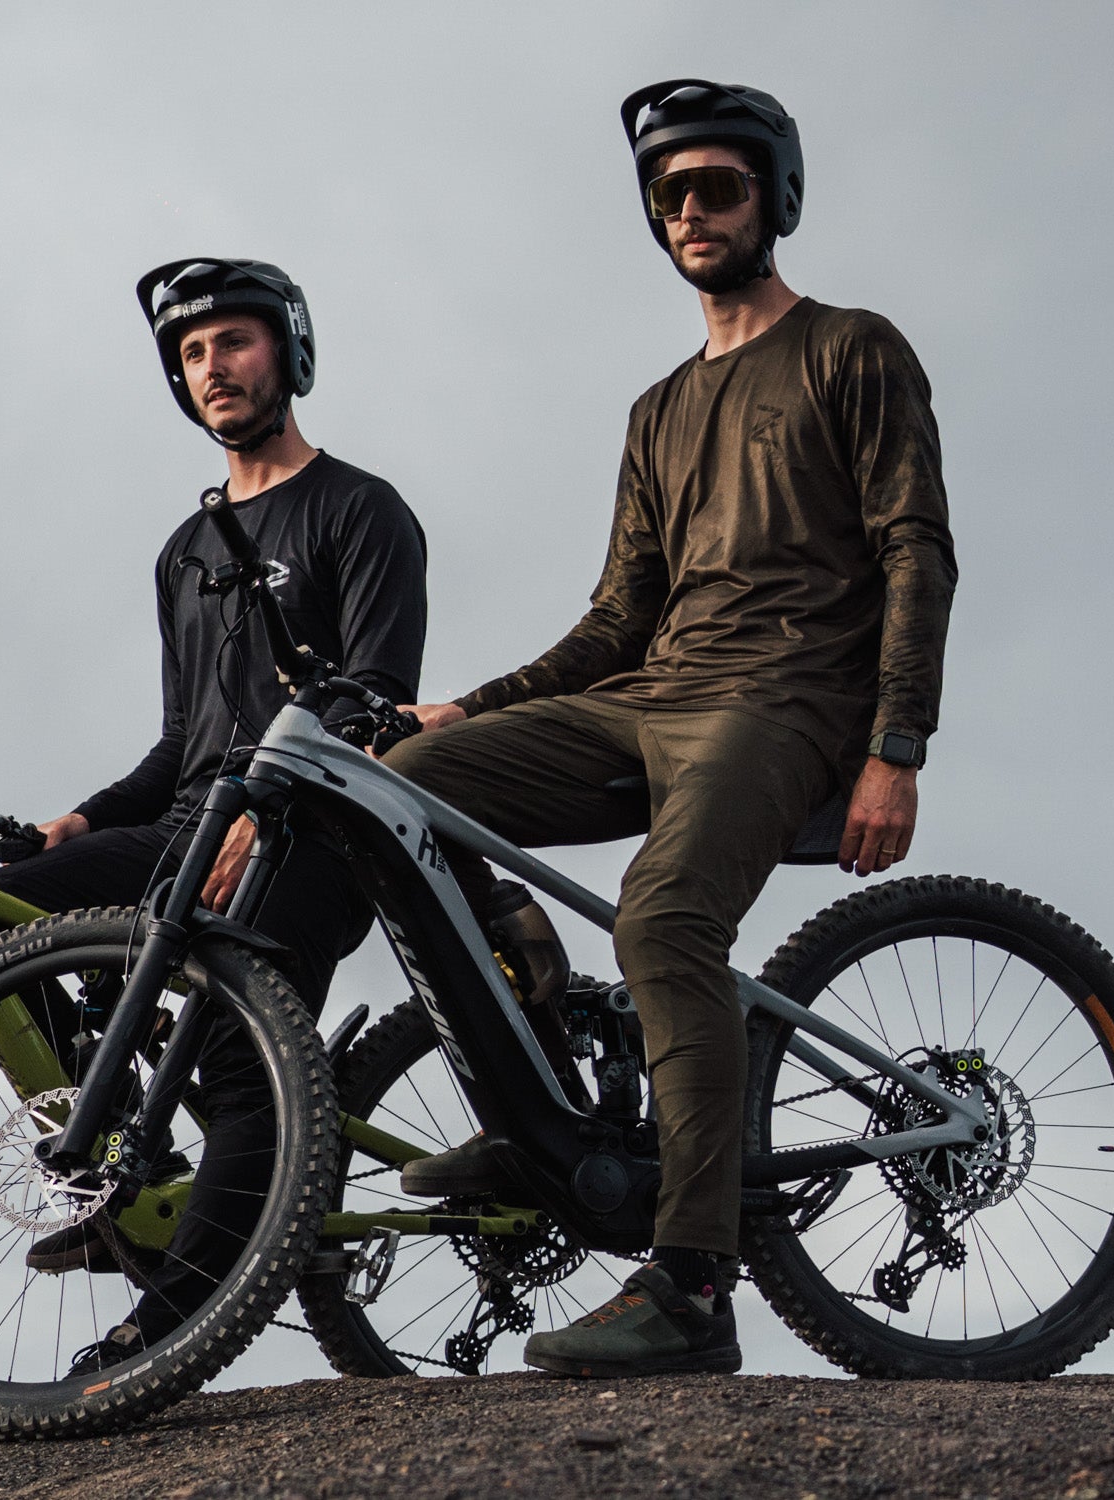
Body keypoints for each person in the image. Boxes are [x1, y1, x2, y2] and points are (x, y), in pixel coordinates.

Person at [382, 80, 956, 1377]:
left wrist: (896, 746)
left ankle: (694, 1285)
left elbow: (917, 549)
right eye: (673, 194)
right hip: (656, 695)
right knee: (406, 789)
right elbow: (615, 622)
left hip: (791, 698)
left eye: (720, 187)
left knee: (663, 917)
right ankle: (543, 1102)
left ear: (774, 198)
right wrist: (471, 709)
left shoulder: (853, 347)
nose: (693, 210)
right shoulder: (658, 410)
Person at [0, 257, 427, 1370]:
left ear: (288, 350)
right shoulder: (184, 551)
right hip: (188, 825)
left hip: (314, 834)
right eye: (191, 355)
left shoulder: (361, 510)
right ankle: (114, 1143)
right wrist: (74, 829)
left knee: (240, 1068)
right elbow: (183, 746)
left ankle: (172, 1322)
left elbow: (372, 701)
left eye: (232, 341)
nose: (212, 368)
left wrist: (259, 815)